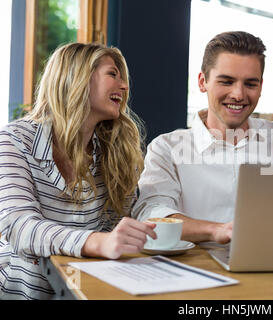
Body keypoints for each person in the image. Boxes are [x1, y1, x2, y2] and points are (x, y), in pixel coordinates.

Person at [0, 43, 157, 299]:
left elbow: (116, 231)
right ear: (78, 78)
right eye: (113, 74)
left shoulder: (114, 152)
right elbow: (20, 227)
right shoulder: (14, 140)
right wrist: (96, 242)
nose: (125, 86)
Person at [132, 31, 273, 244]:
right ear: (202, 82)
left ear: (261, 86)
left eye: (250, 84)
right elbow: (152, 214)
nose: (239, 94)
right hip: (198, 268)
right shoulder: (167, 147)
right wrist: (217, 231)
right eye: (227, 81)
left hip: (271, 264)